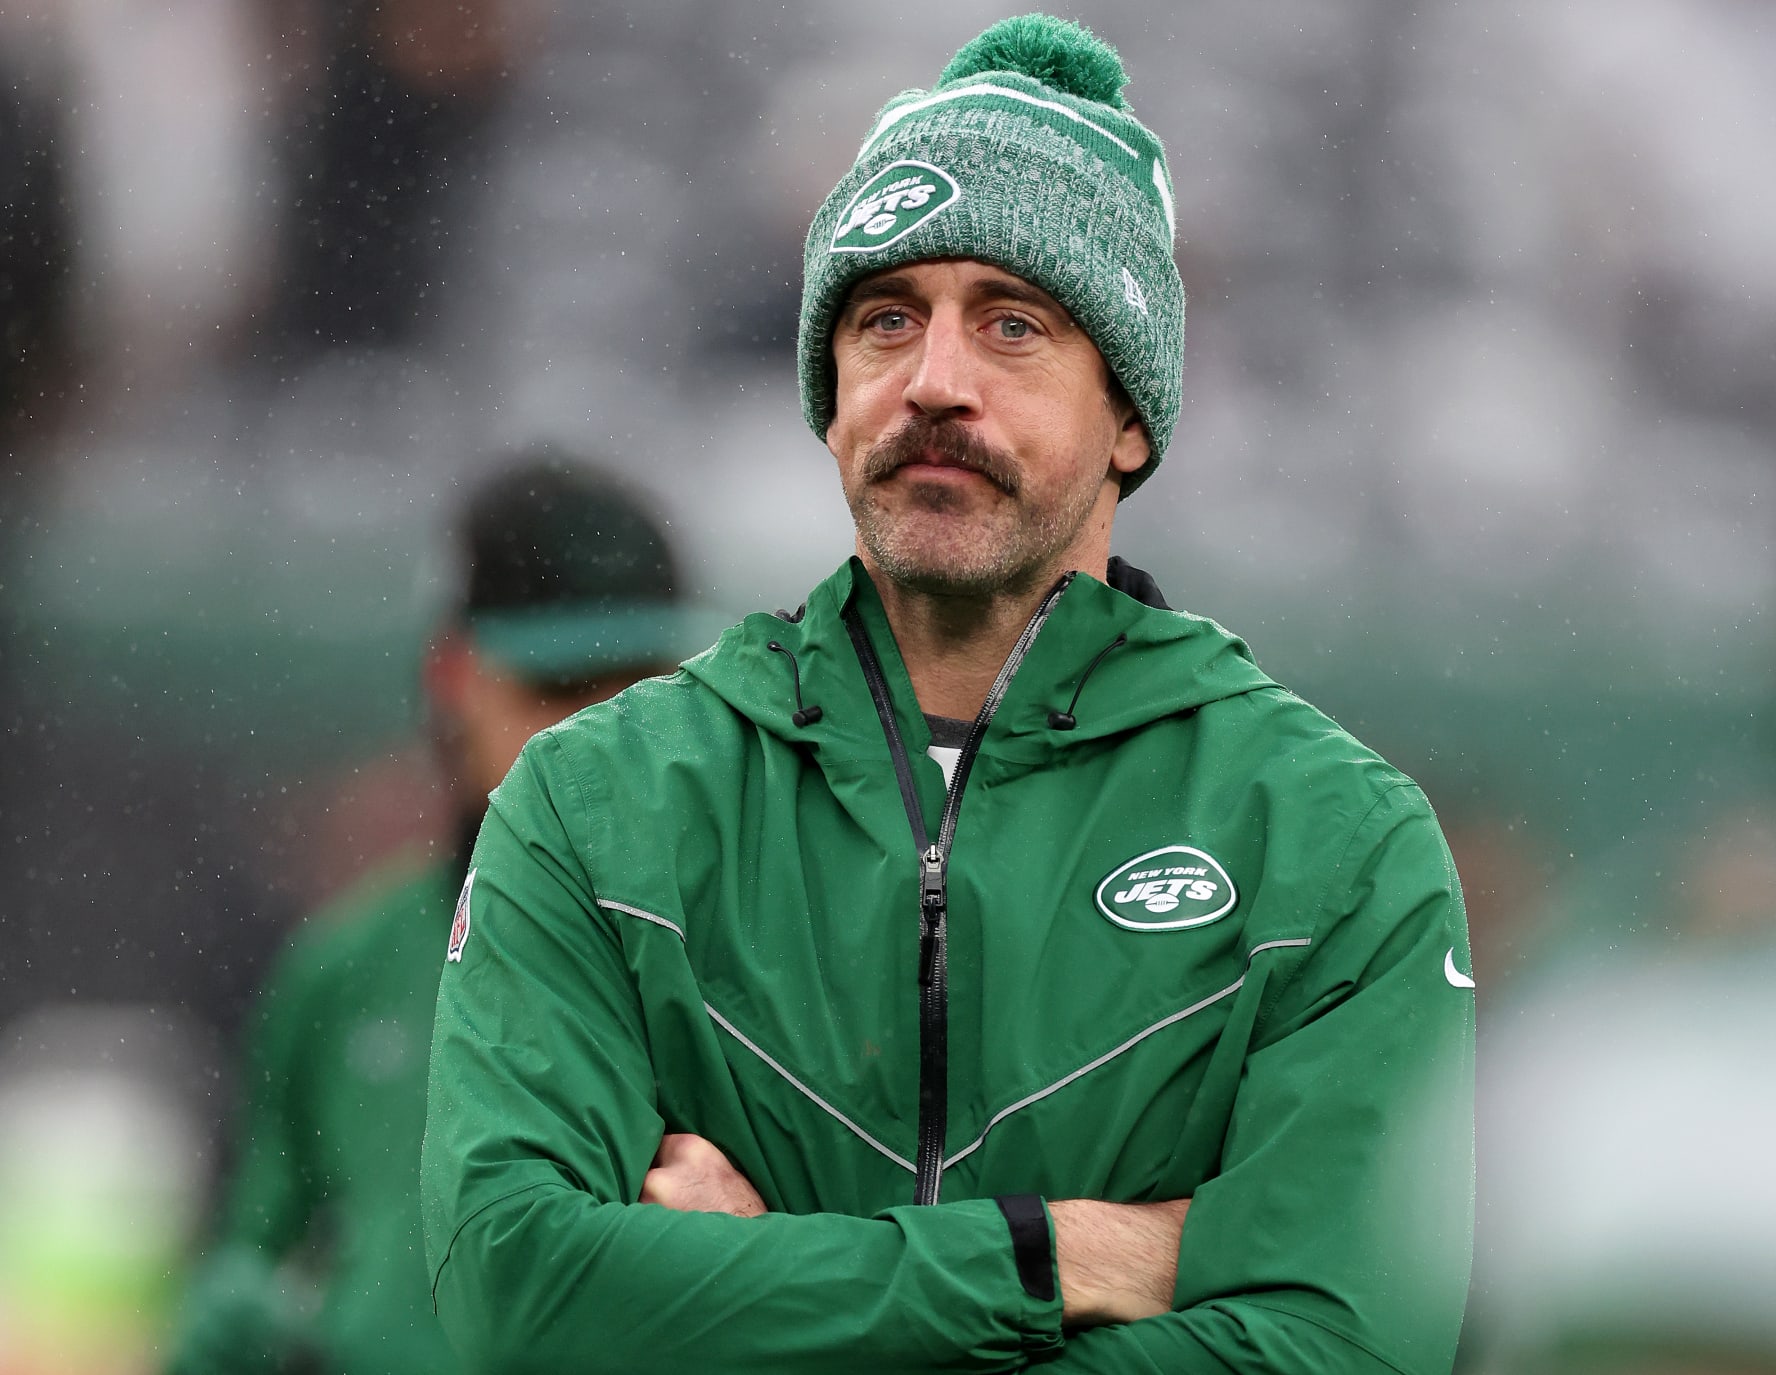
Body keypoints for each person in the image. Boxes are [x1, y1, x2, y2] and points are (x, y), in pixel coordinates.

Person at [421, 15, 1476, 1374]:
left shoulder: (1331, 845)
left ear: (1132, 415)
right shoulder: (593, 805)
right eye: (885, 320)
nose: (933, 380)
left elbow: (1345, 1348)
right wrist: (1056, 1256)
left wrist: (760, 1295)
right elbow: (516, 1294)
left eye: (1013, 323)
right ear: (831, 394)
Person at [165, 454, 701, 1375]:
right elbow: (260, 1249)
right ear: (454, 677)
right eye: (556, 687)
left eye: (641, 685)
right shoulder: (344, 971)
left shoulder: (774, 958)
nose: (606, 731)